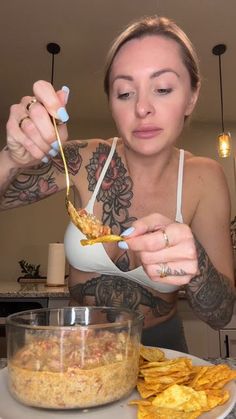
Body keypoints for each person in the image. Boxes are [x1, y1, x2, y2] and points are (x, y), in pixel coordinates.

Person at [0, 16, 235, 352]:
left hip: (161, 351)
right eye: (125, 92)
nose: (142, 108)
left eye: (163, 88)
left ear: (192, 97)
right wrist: (12, 156)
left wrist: (196, 264)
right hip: (78, 348)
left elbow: (222, 314)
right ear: (111, 102)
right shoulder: (84, 158)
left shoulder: (205, 178)